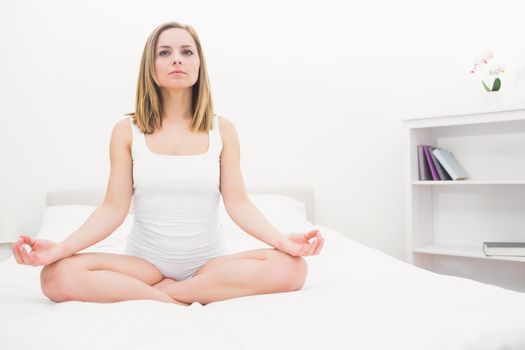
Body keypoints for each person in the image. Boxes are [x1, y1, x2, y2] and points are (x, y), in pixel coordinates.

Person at [11, 21, 325, 306]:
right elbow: (112, 208)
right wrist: (61, 250)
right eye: (165, 52)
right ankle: (174, 295)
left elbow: (239, 203)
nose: (177, 58)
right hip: (144, 265)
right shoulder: (126, 131)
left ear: (199, 65)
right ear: (151, 66)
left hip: (210, 265)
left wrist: (283, 241)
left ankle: (168, 295)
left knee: (292, 268)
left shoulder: (223, 130)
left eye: (187, 51)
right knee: (53, 276)